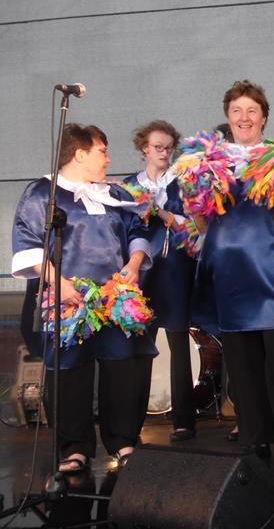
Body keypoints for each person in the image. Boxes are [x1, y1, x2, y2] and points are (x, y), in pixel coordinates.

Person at [187, 80, 274, 468]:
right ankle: (254, 442)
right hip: (230, 269)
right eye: (236, 111)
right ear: (227, 117)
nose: (244, 117)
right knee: (242, 362)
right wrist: (196, 198)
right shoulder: (210, 161)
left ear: (264, 117)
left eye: (252, 110)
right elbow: (202, 224)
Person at [11, 123, 155, 473]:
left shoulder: (115, 194)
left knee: (124, 367)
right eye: (102, 151)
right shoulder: (43, 193)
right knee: (70, 371)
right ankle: (74, 449)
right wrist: (57, 282)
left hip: (115, 297)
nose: (108, 158)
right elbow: (28, 242)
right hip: (69, 299)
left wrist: (134, 263)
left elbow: (137, 230)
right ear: (79, 154)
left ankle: (124, 441)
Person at [125, 120, 197, 441]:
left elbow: (195, 228)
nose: (164, 152)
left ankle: (184, 420)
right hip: (142, 275)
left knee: (179, 344)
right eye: (158, 147)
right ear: (145, 148)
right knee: (140, 347)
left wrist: (162, 212)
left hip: (176, 269)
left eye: (169, 147)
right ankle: (132, 421)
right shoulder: (130, 185)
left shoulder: (183, 183)